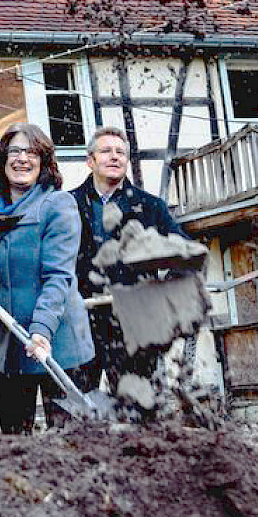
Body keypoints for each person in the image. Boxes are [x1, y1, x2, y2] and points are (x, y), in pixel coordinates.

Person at [0, 124, 94, 434]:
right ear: (2, 159)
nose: (22, 159)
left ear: (44, 162)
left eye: (31, 152)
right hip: (7, 343)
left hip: (57, 341)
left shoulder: (58, 205)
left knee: (68, 445)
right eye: (14, 151)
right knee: (16, 442)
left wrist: (42, 329)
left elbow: (58, 276)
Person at [70, 126, 189, 388]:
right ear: (90, 161)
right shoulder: (68, 205)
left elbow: (184, 252)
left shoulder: (150, 206)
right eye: (106, 151)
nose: (114, 157)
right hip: (80, 321)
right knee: (78, 409)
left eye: (120, 152)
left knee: (137, 407)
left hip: (134, 322)